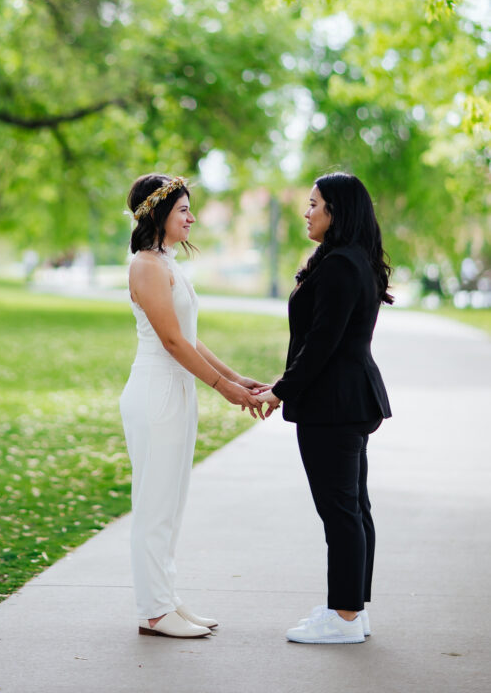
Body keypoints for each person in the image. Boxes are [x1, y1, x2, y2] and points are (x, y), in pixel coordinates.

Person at [120, 173, 266, 639]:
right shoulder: (145, 264)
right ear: (159, 214)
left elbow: (189, 336)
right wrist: (223, 387)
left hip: (176, 390)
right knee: (154, 505)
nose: (192, 217)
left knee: (172, 502)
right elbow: (169, 341)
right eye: (184, 210)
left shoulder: (164, 261)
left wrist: (237, 377)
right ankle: (155, 611)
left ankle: (166, 600)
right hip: (156, 391)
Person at [257, 172, 393, 645]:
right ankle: (352, 609)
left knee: (341, 512)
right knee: (353, 508)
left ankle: (346, 617)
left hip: (333, 404)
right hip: (348, 400)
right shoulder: (352, 260)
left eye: (314, 204)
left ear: (337, 210)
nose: (307, 211)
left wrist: (279, 390)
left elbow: (321, 345)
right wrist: (283, 385)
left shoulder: (339, 265)